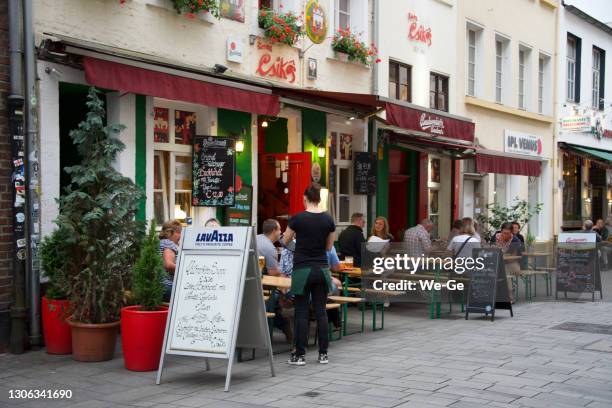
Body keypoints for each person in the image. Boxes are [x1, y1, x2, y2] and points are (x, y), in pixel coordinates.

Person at [283, 184, 335, 366]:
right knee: (321, 311)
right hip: (322, 269)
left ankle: (300, 355)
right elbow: (329, 247)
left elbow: (285, 241)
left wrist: (298, 248)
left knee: (302, 312)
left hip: (302, 269)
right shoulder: (328, 220)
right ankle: (323, 354)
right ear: (319, 199)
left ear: (305, 198)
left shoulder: (297, 219)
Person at [491, 222, 523, 303]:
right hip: (498, 262)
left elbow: (512, 258)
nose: (505, 235)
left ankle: (510, 298)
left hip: (513, 264)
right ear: (501, 231)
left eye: (507, 233)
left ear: (511, 233)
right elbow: (491, 248)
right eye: (503, 233)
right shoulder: (496, 237)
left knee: (504, 271)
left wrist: (502, 255)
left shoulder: (515, 240)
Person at [159, 220, 182, 302]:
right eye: (179, 232)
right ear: (172, 233)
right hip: (168, 286)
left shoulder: (160, 243)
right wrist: (184, 268)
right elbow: (168, 265)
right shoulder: (169, 244)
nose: (180, 236)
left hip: (158, 286)